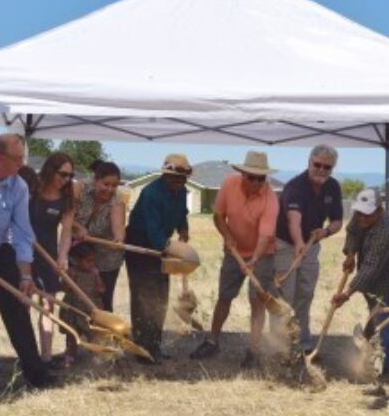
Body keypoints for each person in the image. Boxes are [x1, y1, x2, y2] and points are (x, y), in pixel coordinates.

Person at [0, 133, 54, 388]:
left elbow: (22, 233)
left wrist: (25, 275)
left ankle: (36, 373)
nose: (22, 165)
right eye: (17, 159)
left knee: (17, 310)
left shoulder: (19, 186)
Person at [189, 151, 279, 368]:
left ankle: (254, 351)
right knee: (224, 296)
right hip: (233, 252)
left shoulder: (270, 199)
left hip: (263, 254)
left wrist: (254, 259)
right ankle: (212, 341)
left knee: (257, 301)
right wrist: (227, 236)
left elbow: (266, 236)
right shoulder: (229, 184)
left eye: (261, 178)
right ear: (243, 174)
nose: (257, 182)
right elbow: (219, 215)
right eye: (252, 177)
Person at [273, 145, 343, 353]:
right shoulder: (295, 186)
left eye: (327, 167)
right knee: (286, 296)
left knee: (306, 293)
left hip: (311, 246)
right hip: (286, 244)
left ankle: (302, 343)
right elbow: (294, 220)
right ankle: (280, 344)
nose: (321, 169)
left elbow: (338, 220)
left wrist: (326, 232)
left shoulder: (333, 187)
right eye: (317, 164)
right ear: (309, 162)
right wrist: (298, 243)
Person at [125, 153, 191, 363]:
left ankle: (155, 346)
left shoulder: (181, 192)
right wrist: (173, 250)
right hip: (140, 245)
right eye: (175, 178)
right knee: (143, 297)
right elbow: (153, 231)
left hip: (163, 244)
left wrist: (183, 229)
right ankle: (141, 350)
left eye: (183, 179)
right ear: (166, 176)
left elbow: (182, 214)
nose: (179, 183)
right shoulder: (151, 193)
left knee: (161, 295)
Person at [333, 189, 389, 370]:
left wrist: (347, 294)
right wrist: (351, 254)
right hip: (371, 271)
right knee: (379, 313)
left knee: (380, 313)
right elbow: (352, 231)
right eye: (359, 214)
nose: (362, 219)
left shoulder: (387, 231)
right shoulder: (360, 215)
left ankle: (384, 363)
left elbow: (370, 268)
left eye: (367, 215)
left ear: (380, 211)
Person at [30, 152, 76, 367]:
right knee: (22, 304)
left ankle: (46, 357)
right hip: (23, 254)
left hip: (47, 255)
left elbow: (66, 232)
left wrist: (62, 256)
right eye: (63, 174)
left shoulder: (66, 200)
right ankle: (27, 354)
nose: (66, 179)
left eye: (70, 175)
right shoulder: (31, 190)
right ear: (50, 170)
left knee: (47, 306)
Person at [73, 160, 125, 312]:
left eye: (114, 185)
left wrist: (118, 240)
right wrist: (78, 227)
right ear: (96, 180)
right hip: (78, 253)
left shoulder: (117, 201)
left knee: (103, 300)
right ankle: (77, 334)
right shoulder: (80, 188)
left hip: (106, 258)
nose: (110, 189)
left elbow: (119, 229)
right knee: (77, 298)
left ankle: (103, 335)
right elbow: (66, 216)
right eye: (106, 184)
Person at [62, 243, 105, 364]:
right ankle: (70, 356)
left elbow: (101, 289)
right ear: (76, 261)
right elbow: (64, 289)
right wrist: (70, 280)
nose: (92, 264)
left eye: (93, 261)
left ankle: (96, 354)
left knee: (93, 334)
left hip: (89, 308)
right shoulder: (71, 272)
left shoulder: (94, 272)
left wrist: (97, 278)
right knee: (72, 333)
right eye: (88, 261)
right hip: (74, 308)